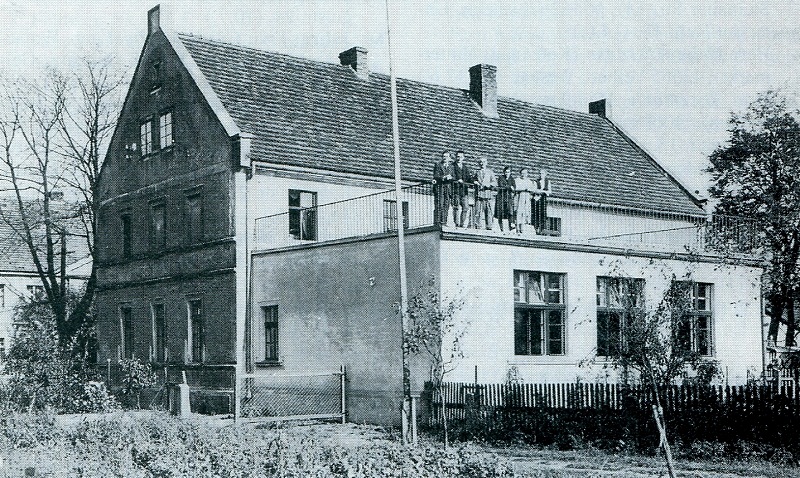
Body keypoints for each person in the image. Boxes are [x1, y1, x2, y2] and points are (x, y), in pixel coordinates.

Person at [472, 156, 496, 230]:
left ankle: (489, 226)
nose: (482, 164)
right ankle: (477, 225)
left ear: (486, 163)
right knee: (478, 211)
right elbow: (472, 179)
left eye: (484, 162)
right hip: (479, 194)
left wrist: (489, 185)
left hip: (487, 194)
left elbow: (495, 182)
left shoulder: (490, 172)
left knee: (488, 211)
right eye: (480, 162)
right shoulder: (477, 172)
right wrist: (474, 181)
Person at [450, 150, 471, 227]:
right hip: (456, 190)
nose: (459, 158)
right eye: (458, 156)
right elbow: (451, 176)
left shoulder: (465, 168)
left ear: (463, 158)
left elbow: (469, 178)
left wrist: (474, 181)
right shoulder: (452, 166)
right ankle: (456, 223)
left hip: (464, 191)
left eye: (461, 157)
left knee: (465, 207)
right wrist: (456, 180)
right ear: (456, 157)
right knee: (456, 207)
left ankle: (462, 223)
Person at [432, 151, 453, 226]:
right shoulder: (438, 165)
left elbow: (454, 177)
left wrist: (451, 177)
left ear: (449, 158)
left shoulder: (451, 166)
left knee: (446, 205)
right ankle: (438, 222)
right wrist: (443, 177)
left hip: (448, 188)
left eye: (446, 157)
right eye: (444, 156)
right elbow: (436, 175)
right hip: (440, 187)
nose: (445, 158)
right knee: (439, 205)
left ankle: (444, 222)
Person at [495, 166, 516, 231]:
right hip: (501, 197)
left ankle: (511, 227)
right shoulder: (501, 177)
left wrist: (510, 187)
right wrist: (510, 187)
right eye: (506, 172)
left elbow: (514, 187)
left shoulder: (512, 179)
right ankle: (501, 228)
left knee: (510, 212)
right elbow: (501, 185)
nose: (507, 173)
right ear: (504, 172)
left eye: (508, 172)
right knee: (500, 213)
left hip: (508, 198)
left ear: (510, 173)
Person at [514, 167, 534, 234]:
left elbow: (532, 190)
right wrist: (523, 189)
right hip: (519, 198)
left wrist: (528, 190)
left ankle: (522, 228)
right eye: (522, 173)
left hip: (526, 198)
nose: (523, 175)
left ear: (527, 174)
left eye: (524, 173)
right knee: (518, 213)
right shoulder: (517, 180)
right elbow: (516, 188)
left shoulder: (529, 181)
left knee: (524, 213)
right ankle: (517, 228)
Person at [532, 169, 552, 234]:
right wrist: (543, 191)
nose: (541, 175)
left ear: (545, 174)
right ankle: (536, 228)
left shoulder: (547, 182)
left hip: (543, 199)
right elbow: (535, 190)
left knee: (543, 214)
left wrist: (542, 191)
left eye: (542, 174)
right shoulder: (536, 181)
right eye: (540, 173)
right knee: (536, 214)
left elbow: (549, 191)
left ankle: (541, 229)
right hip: (536, 199)